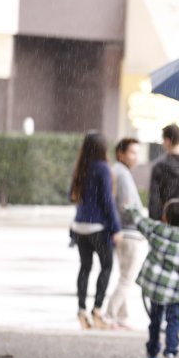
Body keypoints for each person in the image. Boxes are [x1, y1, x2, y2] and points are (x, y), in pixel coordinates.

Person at [126, 199, 179, 358]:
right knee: (174, 321)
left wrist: (131, 208)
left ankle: (152, 351)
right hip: (177, 290)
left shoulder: (158, 230)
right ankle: (171, 353)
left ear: (165, 217)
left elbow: (140, 221)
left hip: (156, 288)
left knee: (155, 319)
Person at [69, 131, 121, 330]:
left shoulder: (81, 167)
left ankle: (81, 311)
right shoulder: (102, 168)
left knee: (85, 268)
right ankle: (97, 310)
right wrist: (116, 227)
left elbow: (71, 195)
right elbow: (107, 200)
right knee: (106, 267)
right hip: (98, 226)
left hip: (79, 226)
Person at [104, 137, 145, 329]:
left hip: (121, 232)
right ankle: (110, 315)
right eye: (132, 152)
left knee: (123, 276)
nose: (135, 157)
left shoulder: (118, 171)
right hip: (129, 232)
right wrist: (143, 223)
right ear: (120, 153)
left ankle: (121, 316)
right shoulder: (121, 174)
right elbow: (126, 205)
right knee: (127, 278)